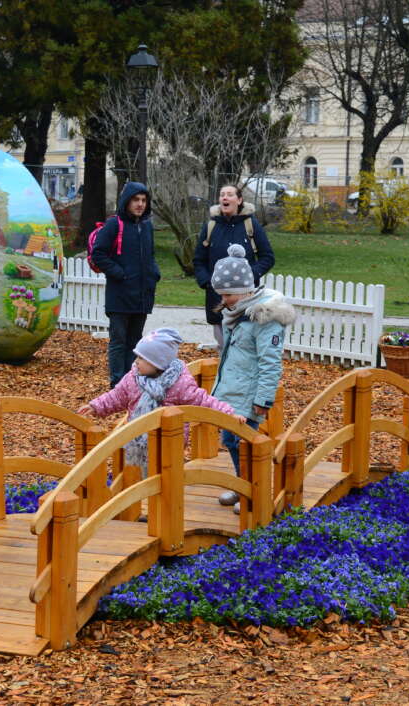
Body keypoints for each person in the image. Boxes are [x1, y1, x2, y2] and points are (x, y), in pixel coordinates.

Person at [78, 328, 243, 474]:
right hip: (141, 440)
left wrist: (229, 414)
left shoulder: (179, 383)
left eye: (141, 358)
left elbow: (204, 401)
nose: (136, 362)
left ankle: (166, 502)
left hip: (170, 442)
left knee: (166, 476)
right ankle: (145, 500)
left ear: (158, 363)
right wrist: (96, 405)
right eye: (137, 357)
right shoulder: (133, 378)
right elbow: (117, 396)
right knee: (143, 474)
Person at [208, 244, 296, 510]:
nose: (224, 300)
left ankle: (253, 489)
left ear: (243, 291)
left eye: (228, 295)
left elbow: (270, 363)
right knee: (230, 439)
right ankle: (241, 483)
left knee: (245, 441)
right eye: (221, 295)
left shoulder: (264, 318)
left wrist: (263, 399)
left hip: (250, 394)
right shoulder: (237, 314)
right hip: (233, 391)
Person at [91, 181, 160, 388]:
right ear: (127, 202)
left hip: (142, 294)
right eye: (136, 200)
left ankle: (131, 382)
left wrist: (154, 274)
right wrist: (120, 274)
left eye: (143, 200)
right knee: (118, 342)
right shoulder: (114, 224)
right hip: (120, 295)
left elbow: (151, 254)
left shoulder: (147, 226)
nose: (140, 204)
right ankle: (117, 384)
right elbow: (98, 253)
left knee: (135, 341)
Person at [192, 184, 275, 348]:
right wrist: (207, 282)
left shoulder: (250, 224)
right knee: (223, 347)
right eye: (222, 194)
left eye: (230, 194)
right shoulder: (211, 226)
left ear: (239, 200)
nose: (225, 198)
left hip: (246, 299)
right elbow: (199, 260)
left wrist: (249, 276)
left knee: (245, 346)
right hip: (217, 298)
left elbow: (267, 257)